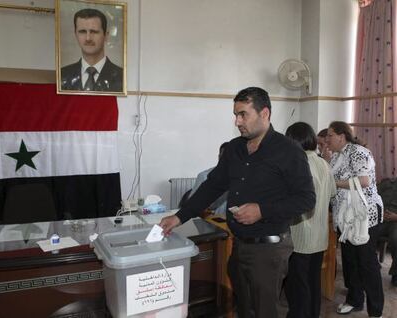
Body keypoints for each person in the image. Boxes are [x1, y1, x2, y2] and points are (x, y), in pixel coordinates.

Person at [160, 87, 316, 318]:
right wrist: (180, 216)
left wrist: (262, 211)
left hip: (269, 249)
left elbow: (306, 199)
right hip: (240, 245)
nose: (237, 121)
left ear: (264, 113)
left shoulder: (289, 151)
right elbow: (212, 186)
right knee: (244, 308)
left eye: (243, 114)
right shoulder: (234, 148)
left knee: (264, 312)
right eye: (235, 115)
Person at [326, 121, 384, 318]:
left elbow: (364, 180)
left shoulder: (358, 152)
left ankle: (376, 311)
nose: (327, 140)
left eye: (330, 135)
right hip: (346, 215)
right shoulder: (335, 156)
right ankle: (354, 300)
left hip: (364, 214)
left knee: (366, 263)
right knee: (350, 261)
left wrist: (334, 184)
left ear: (342, 136)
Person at [284, 122, 336, 318]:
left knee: (298, 286)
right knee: (313, 283)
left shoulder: (299, 164)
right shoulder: (323, 163)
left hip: (300, 236)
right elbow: (331, 193)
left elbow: (294, 201)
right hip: (320, 235)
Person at [61, 8, 123, 92]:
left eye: (94, 32)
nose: (88, 38)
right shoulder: (62, 75)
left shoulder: (122, 76)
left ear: (106, 35)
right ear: (76, 35)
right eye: (82, 32)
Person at [188, 142, 229, 216]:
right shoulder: (204, 176)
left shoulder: (241, 178)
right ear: (219, 156)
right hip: (210, 221)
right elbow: (192, 204)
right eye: (224, 156)